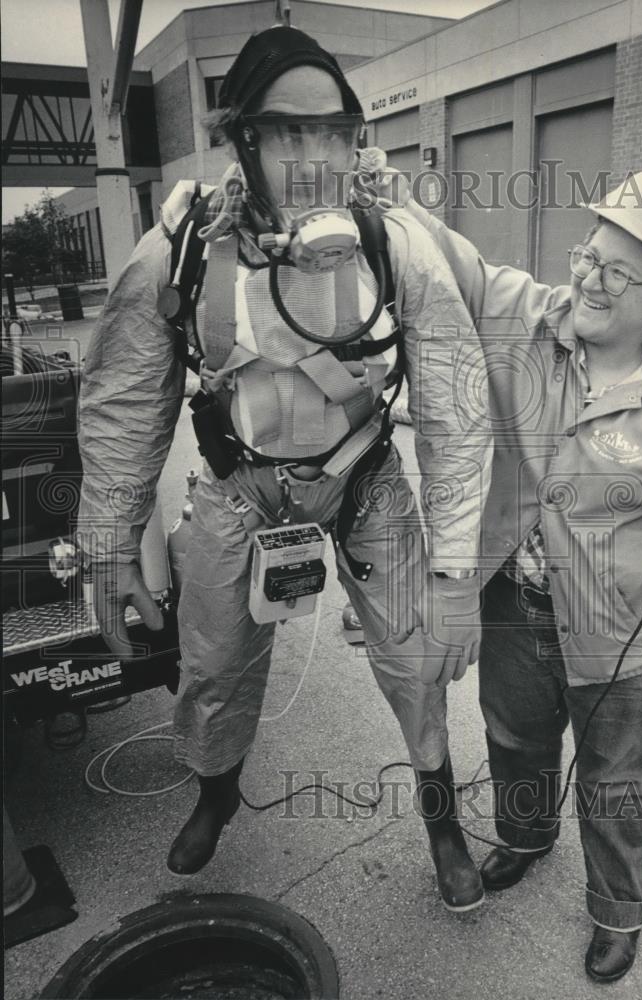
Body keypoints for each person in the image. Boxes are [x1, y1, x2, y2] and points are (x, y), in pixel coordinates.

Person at [76, 26, 492, 913]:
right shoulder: (182, 249)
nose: (314, 158)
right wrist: (111, 542)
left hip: (362, 478)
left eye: (333, 132)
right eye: (288, 132)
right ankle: (216, 793)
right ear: (245, 140)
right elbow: (124, 401)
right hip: (239, 485)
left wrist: (455, 575)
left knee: (418, 657)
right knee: (214, 662)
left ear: (356, 139)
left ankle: (440, 819)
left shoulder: (396, 245)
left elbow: (457, 406)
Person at [381, 166, 642, 980]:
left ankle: (618, 911)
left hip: (625, 634)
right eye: (587, 255)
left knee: (618, 783)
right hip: (514, 600)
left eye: (617, 270)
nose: (587, 277)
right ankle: (524, 838)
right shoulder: (532, 321)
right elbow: (461, 266)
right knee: (513, 739)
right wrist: (391, 202)